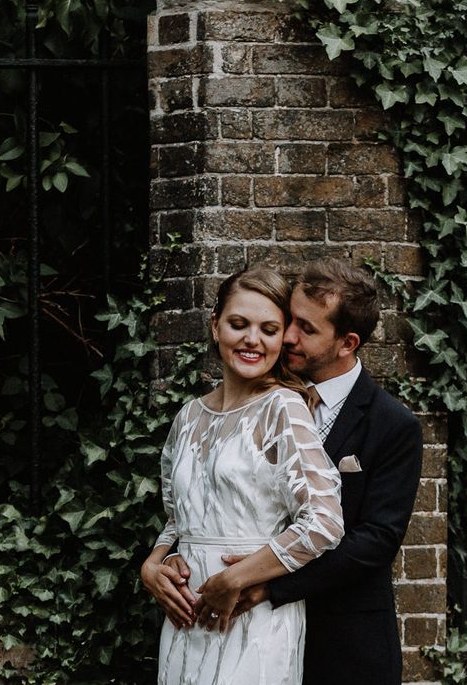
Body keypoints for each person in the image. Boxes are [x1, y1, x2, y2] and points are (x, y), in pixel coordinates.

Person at [159, 258, 423, 685]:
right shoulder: (245, 397)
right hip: (219, 617)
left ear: (347, 342)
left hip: (342, 640)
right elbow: (197, 508)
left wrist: (267, 586)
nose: (288, 336)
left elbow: (374, 541)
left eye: (306, 328)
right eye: (289, 321)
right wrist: (159, 563)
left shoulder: (392, 424)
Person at [141, 266, 345, 685]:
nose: (253, 339)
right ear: (216, 326)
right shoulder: (188, 416)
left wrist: (236, 576)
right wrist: (153, 564)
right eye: (239, 324)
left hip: (251, 616)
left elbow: (325, 521)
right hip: (184, 616)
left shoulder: (283, 408)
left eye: (269, 329)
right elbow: (178, 518)